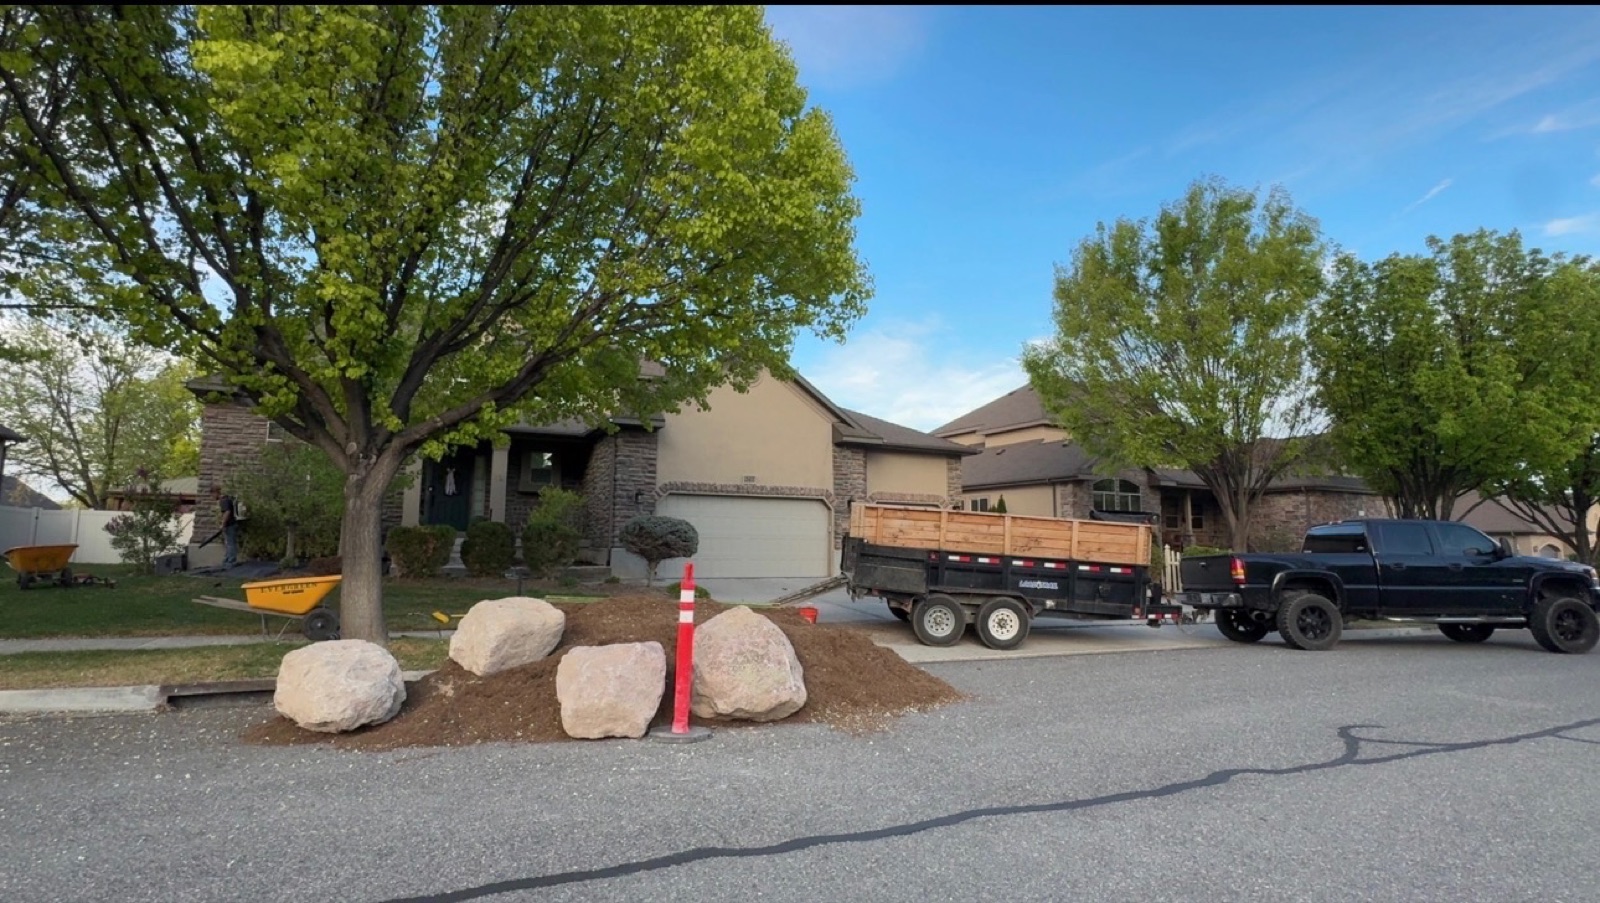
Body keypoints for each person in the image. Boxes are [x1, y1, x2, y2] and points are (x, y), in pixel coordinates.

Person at [214, 486, 240, 568]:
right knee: (229, 543)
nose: (212, 497)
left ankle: (231, 561)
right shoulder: (227, 499)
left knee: (230, 543)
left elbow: (227, 512)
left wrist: (223, 524)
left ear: (215, 493)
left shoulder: (223, 501)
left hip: (230, 525)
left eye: (212, 495)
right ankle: (227, 559)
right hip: (231, 524)